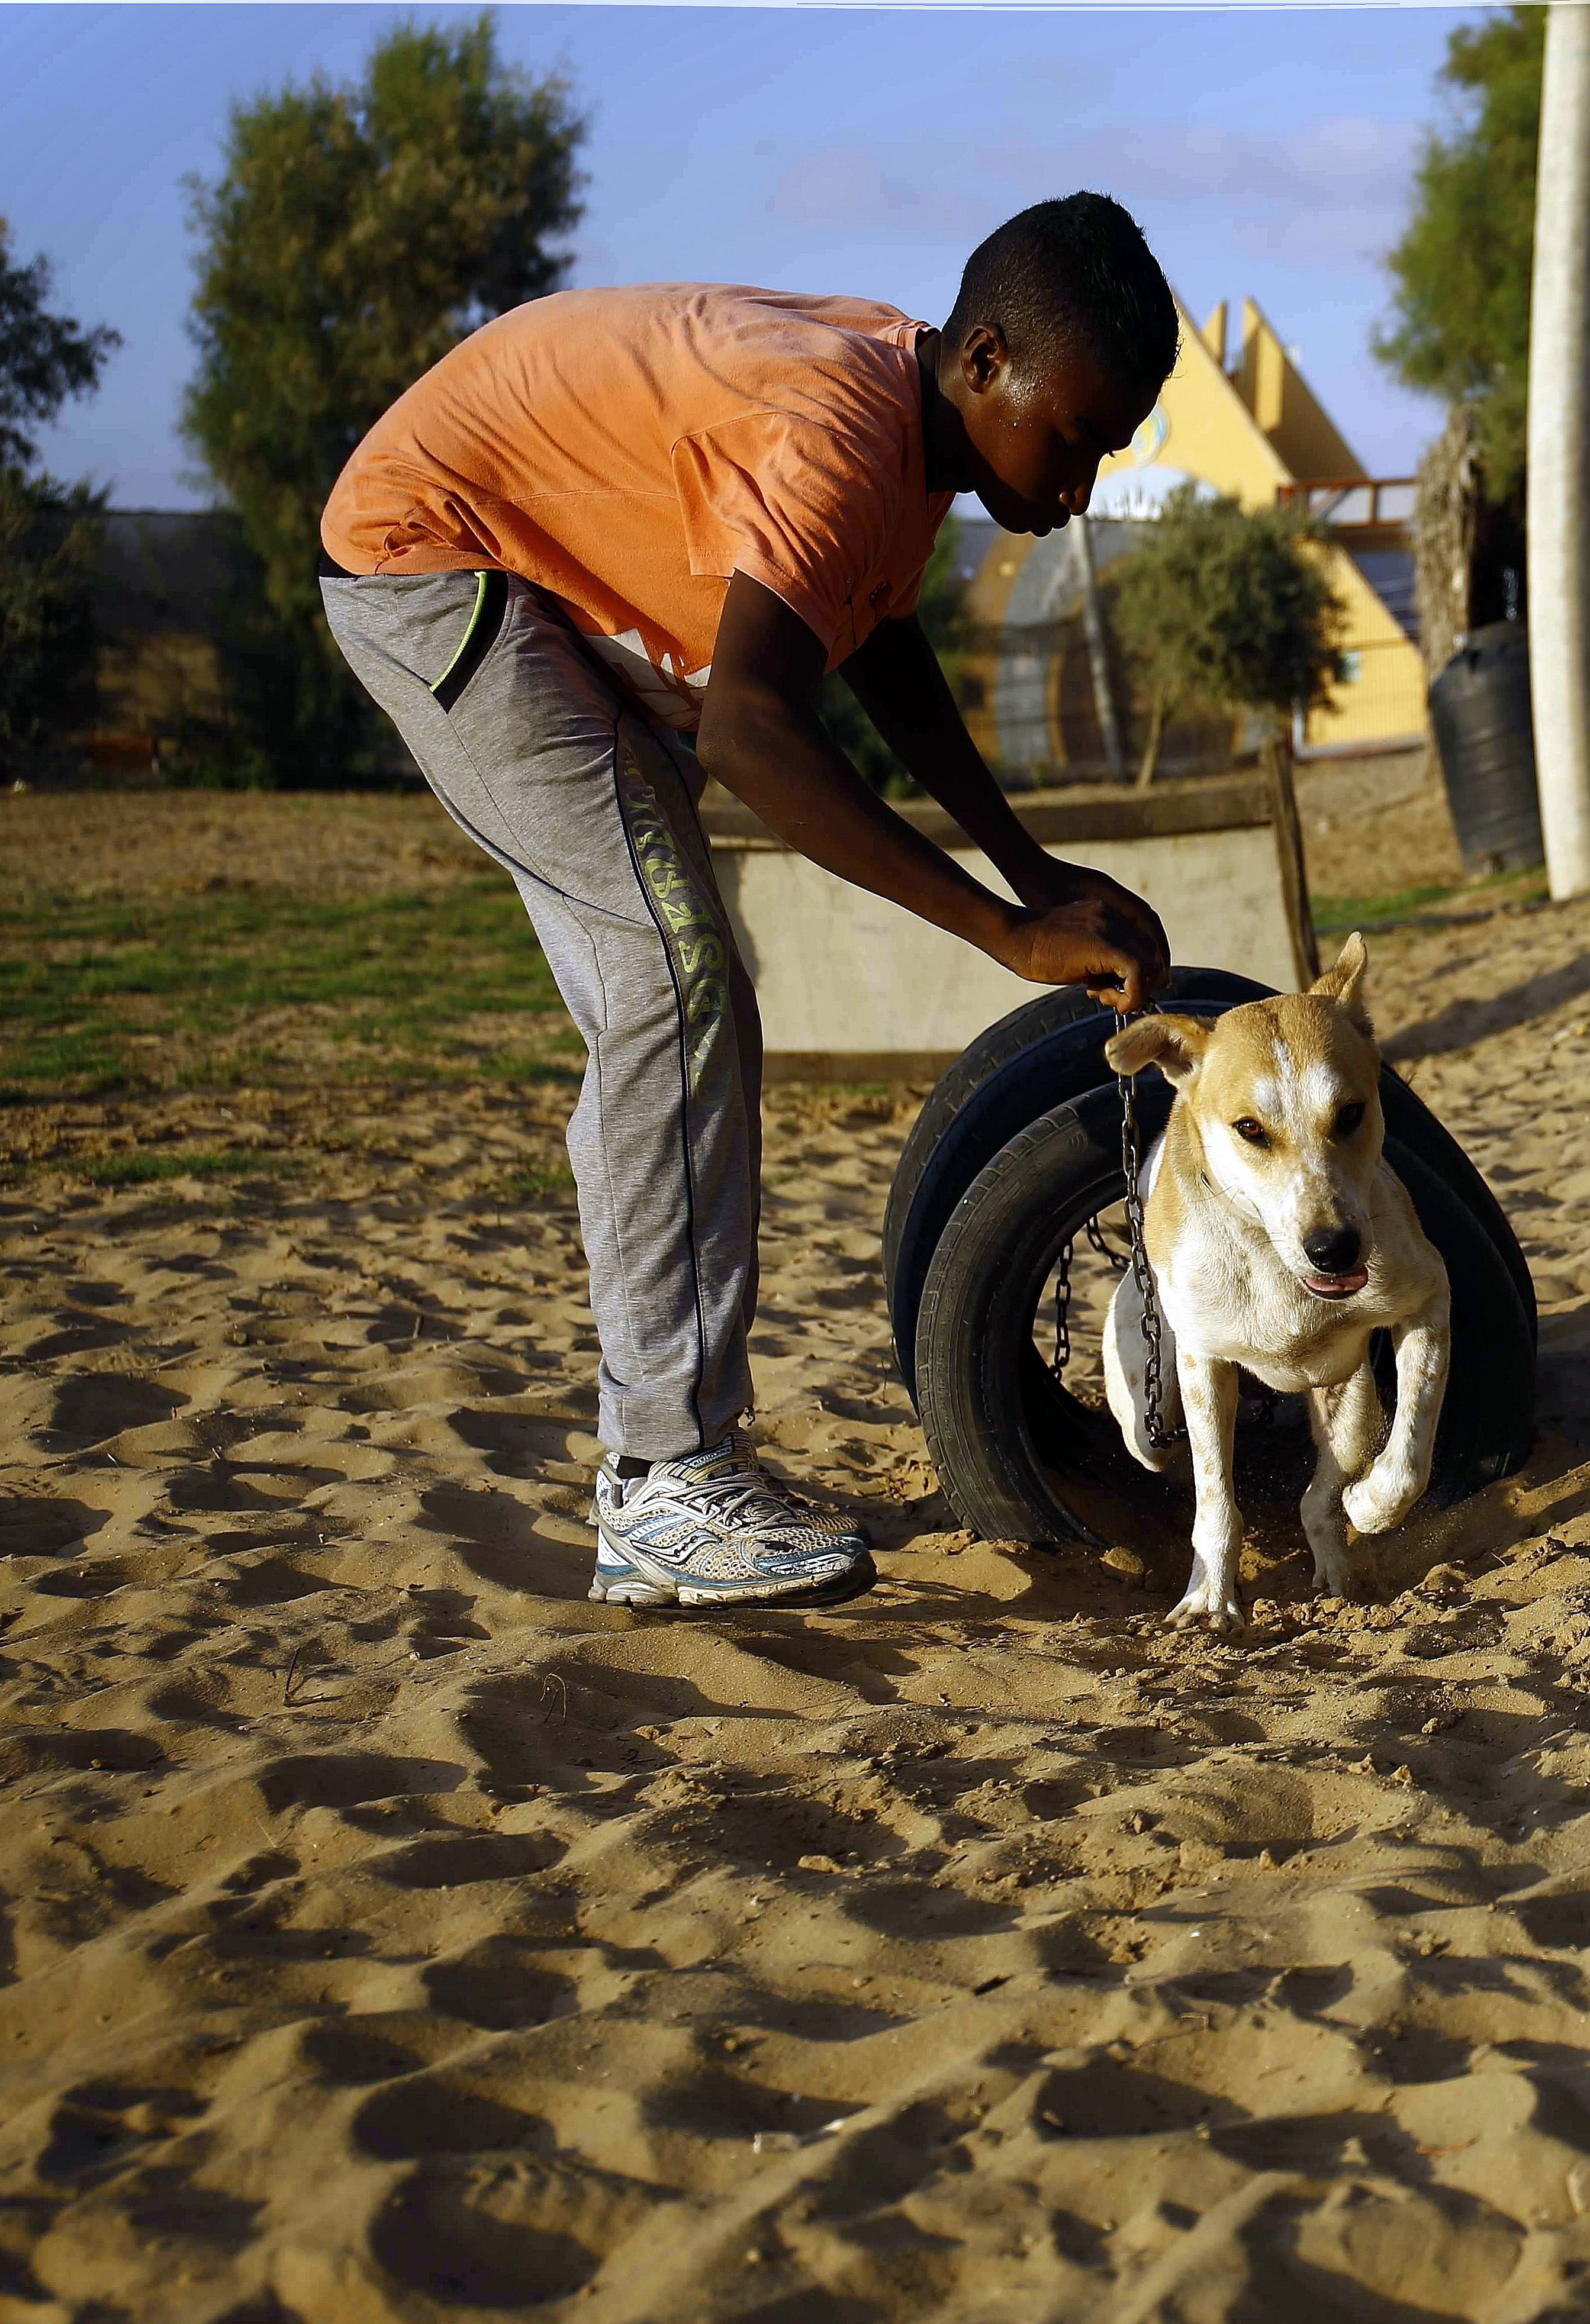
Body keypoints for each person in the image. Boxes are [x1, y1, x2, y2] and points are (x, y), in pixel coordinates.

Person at [318, 195, 1179, 1609]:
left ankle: (663, 1469)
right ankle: (664, 1479)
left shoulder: (908, 433)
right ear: (983, 363)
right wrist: (1001, 931)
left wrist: (1033, 870)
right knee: (670, 974)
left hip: (530, 575)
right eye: (1075, 441)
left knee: (675, 993)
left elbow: (880, 648)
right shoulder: (842, 432)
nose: (1081, 487)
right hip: (435, 561)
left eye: (1107, 455)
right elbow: (753, 732)